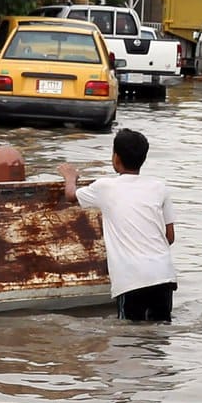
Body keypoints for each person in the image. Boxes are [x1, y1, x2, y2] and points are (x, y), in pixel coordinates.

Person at [56, 128, 179, 324]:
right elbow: (170, 237)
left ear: (116, 158)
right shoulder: (159, 188)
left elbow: (71, 195)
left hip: (131, 281)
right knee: (158, 338)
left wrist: (70, 176)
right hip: (163, 276)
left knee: (128, 340)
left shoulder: (105, 187)